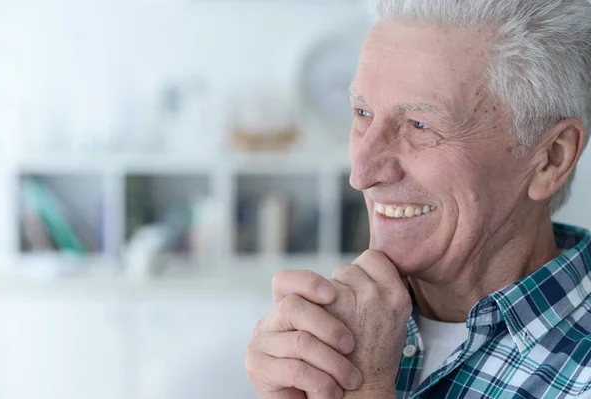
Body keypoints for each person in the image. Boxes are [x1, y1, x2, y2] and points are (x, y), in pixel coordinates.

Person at [245, 0, 591, 398]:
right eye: (362, 113)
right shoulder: (329, 332)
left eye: (420, 125)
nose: (362, 174)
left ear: (551, 157)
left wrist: (364, 389)